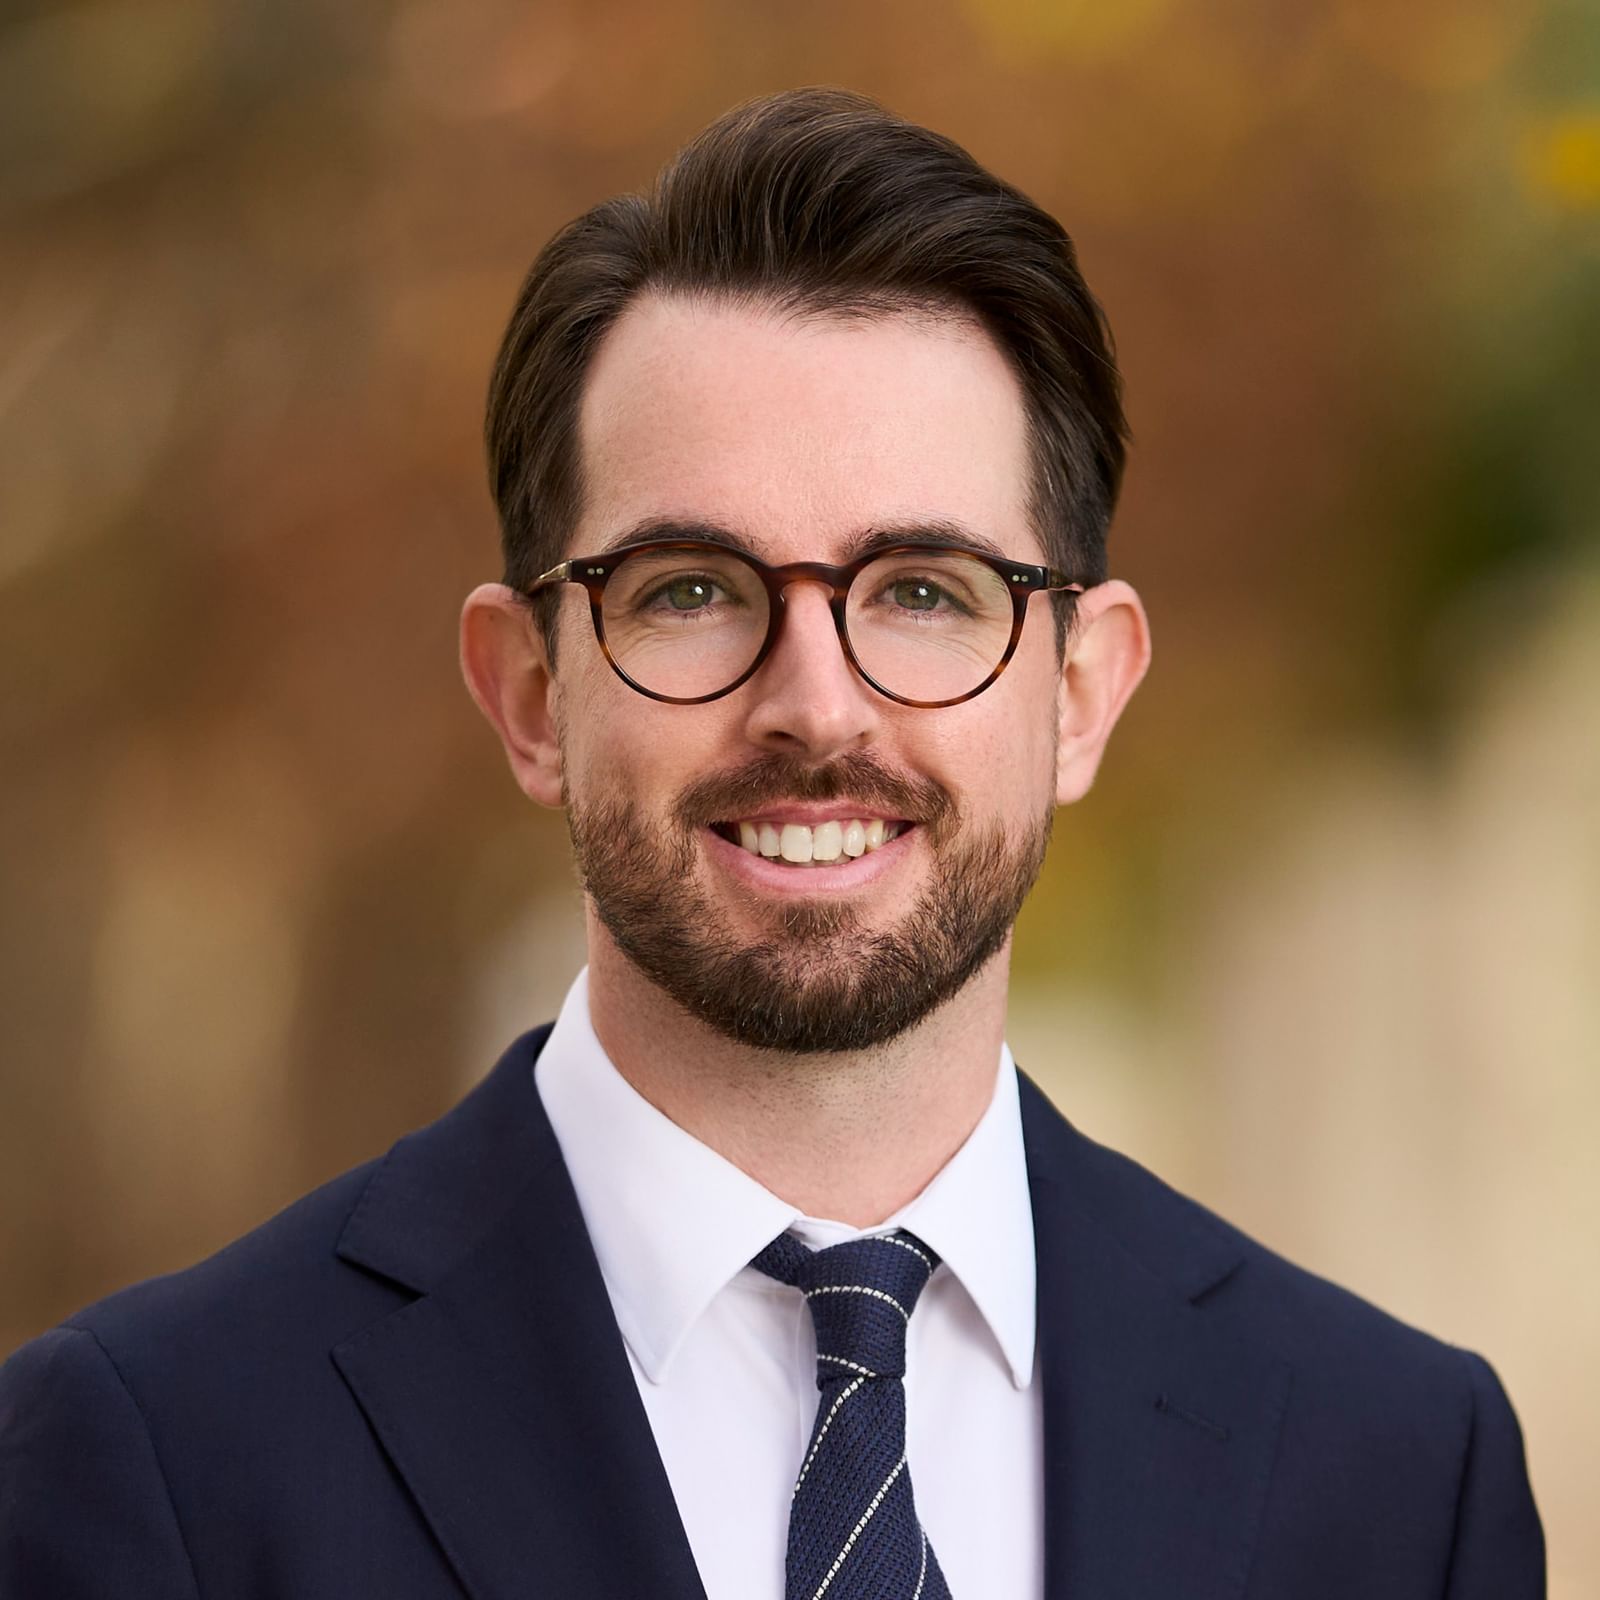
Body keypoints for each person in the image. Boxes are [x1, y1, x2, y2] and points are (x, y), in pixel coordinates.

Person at [0, 88, 1543, 1600]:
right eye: (691, 589)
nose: (816, 707)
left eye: (925, 591)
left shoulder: (1401, 1476)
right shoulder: (158, 1460)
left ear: (1081, 693)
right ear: (531, 694)